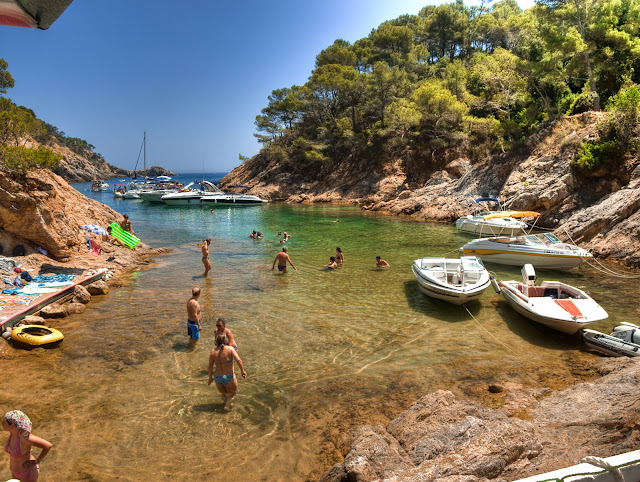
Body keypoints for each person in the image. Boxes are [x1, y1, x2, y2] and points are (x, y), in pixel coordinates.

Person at [3, 410, 52, 481]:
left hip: (27, 473)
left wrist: (37, 461)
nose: (2, 424)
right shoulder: (12, 433)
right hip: (15, 473)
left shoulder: (25, 438)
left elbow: (48, 446)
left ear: (12, 425)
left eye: (4, 423)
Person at [208, 333, 247, 411]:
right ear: (226, 341)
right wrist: (242, 371)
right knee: (233, 393)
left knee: (224, 394)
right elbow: (238, 360)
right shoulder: (230, 349)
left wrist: (210, 378)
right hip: (229, 376)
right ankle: (227, 405)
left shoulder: (213, 352)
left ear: (216, 342)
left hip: (218, 377)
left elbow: (210, 367)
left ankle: (224, 405)